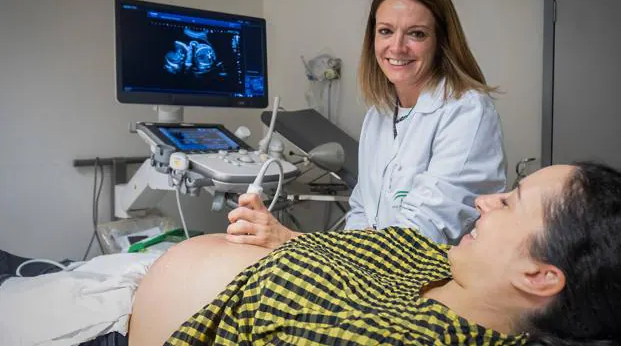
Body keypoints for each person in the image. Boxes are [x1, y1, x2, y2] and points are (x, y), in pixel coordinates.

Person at [129, 161, 621, 346]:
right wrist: (280, 236)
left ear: (538, 276)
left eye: (510, 202)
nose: (483, 201)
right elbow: (340, 252)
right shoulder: (429, 255)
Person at [225, 0, 506, 249]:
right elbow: (362, 209)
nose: (397, 47)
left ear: (440, 42)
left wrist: (290, 239)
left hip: (438, 280)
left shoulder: (467, 111)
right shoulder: (380, 114)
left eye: (416, 34)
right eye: (386, 31)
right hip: (375, 271)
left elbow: (421, 237)